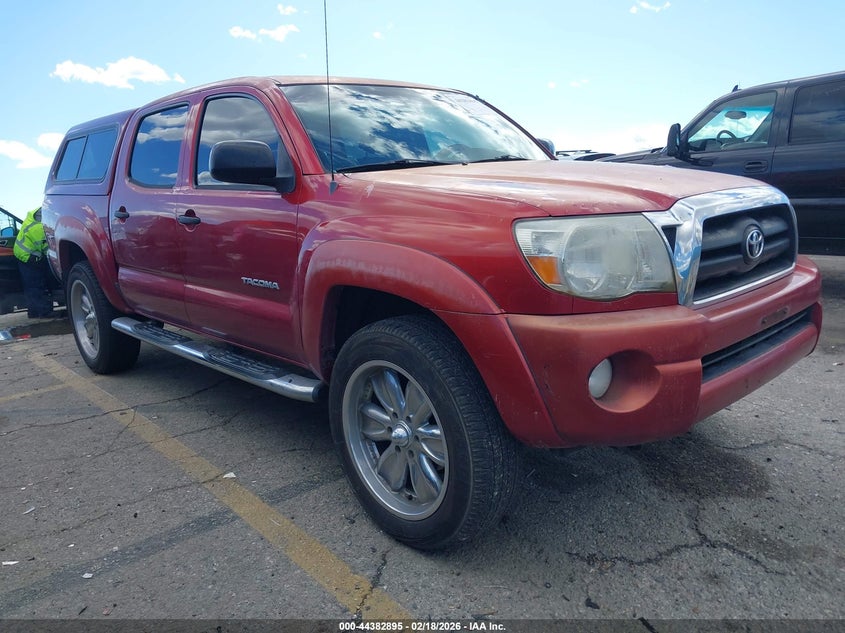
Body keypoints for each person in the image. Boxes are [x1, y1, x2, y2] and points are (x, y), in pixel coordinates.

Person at [13, 207, 62, 318]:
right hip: (28, 256)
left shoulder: (35, 219)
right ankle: (44, 312)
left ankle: (33, 312)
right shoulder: (40, 229)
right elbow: (48, 250)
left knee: (31, 285)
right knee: (37, 284)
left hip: (23, 254)